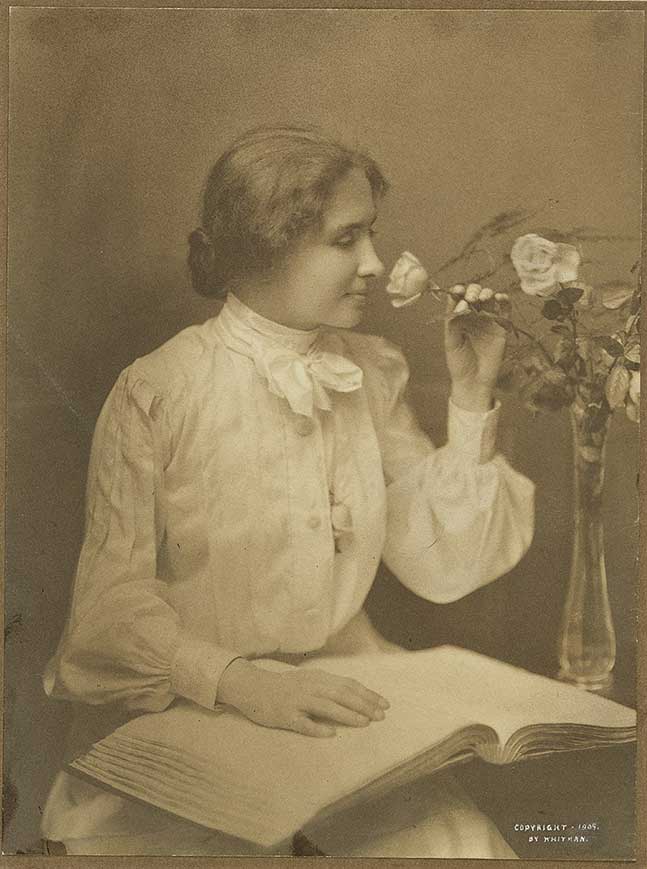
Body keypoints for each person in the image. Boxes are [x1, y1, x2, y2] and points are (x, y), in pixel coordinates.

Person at [40, 125, 535, 857]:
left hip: (343, 705)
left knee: (461, 848)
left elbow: (440, 566)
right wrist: (239, 681)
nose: (373, 262)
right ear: (265, 244)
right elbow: (105, 614)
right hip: (189, 713)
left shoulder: (369, 369)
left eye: (371, 235)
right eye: (346, 240)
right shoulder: (160, 390)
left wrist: (470, 398)